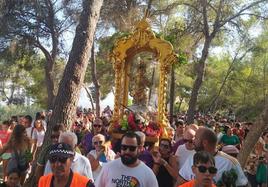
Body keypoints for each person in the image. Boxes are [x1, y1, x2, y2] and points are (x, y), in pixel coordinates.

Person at [178, 127, 248, 186]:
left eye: (196, 138)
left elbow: (243, 185)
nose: (193, 141)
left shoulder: (230, 163)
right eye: (202, 169)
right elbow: (180, 182)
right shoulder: (192, 157)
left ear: (204, 143)